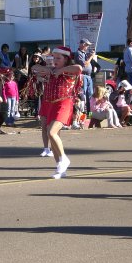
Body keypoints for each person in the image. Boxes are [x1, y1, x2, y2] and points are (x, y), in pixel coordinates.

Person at [32, 46, 82, 179]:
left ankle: (64, 159)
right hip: (51, 104)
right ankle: (60, 168)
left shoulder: (69, 71)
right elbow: (34, 68)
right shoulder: (51, 70)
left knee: (51, 132)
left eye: (58, 58)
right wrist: (50, 69)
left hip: (64, 103)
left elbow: (79, 69)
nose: (55, 60)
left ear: (66, 59)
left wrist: (61, 70)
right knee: (53, 137)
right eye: (54, 57)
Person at [74, 38, 95, 113]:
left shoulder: (84, 53)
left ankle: (90, 113)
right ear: (83, 44)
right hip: (83, 76)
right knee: (83, 94)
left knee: (90, 95)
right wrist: (91, 56)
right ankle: (82, 113)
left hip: (88, 76)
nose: (87, 47)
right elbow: (85, 64)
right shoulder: (78, 53)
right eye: (87, 45)